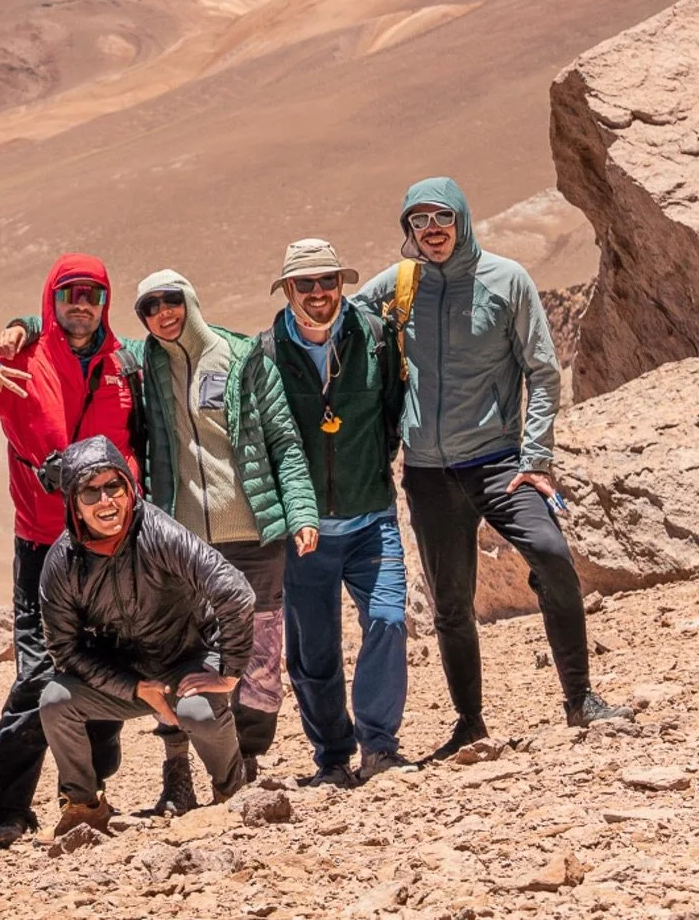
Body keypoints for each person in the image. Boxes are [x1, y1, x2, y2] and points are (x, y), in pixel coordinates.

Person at [357, 178, 631, 753]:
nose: (431, 230)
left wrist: (536, 457)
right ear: (408, 230)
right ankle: (469, 723)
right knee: (450, 603)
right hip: (428, 472)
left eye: (441, 217)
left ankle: (580, 699)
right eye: (418, 221)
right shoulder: (400, 285)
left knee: (552, 556)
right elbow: (339, 324)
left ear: (461, 218)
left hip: (500, 462)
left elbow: (543, 371)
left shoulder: (507, 280)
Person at [0, 253, 143, 846]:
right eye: (70, 294)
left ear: (105, 302)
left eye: (93, 295)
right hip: (43, 547)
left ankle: (88, 792)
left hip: (110, 548)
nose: (81, 305)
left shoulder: (123, 367)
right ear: (52, 300)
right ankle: (6, 808)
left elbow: (141, 443)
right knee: (38, 675)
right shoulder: (21, 363)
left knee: (106, 667)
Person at [131, 269, 318, 803]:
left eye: (171, 301)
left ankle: (246, 763)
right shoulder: (145, 363)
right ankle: (177, 767)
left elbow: (284, 441)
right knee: (173, 650)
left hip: (253, 537)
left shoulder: (243, 357)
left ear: (190, 299)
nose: (163, 314)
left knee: (259, 656)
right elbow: (80, 337)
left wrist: (301, 511)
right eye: (149, 307)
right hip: (183, 545)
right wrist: (25, 326)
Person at [38, 438, 255, 834]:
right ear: (73, 504)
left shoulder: (159, 533)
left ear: (129, 488)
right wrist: (133, 687)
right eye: (90, 492)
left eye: (114, 486)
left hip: (188, 661)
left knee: (199, 714)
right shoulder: (62, 564)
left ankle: (232, 792)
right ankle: (84, 805)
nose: (106, 501)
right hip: (128, 676)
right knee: (55, 701)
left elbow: (234, 591)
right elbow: (64, 650)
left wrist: (229, 672)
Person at [257, 240, 409, 787]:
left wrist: (371, 469)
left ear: (342, 283)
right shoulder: (267, 353)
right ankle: (332, 757)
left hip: (372, 518)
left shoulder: (374, 336)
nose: (319, 292)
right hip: (306, 534)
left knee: (388, 620)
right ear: (288, 290)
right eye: (306, 283)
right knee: (314, 652)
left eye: (328, 280)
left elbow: (393, 409)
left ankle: (379, 745)